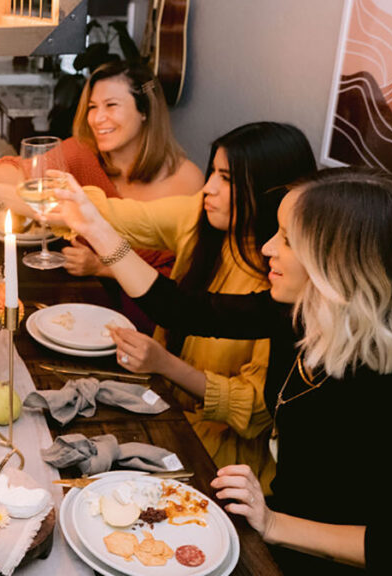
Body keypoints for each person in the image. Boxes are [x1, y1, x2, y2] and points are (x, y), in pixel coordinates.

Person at [53, 167, 392, 574]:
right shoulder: (299, 313)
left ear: (340, 265)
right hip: (271, 528)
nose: (266, 248)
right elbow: (181, 309)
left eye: (287, 240)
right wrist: (95, 226)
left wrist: (274, 523)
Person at [76, 122, 317, 491]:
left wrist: (163, 363)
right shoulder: (201, 223)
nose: (208, 188)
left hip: (219, 464)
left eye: (227, 178)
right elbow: (176, 307)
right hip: (160, 404)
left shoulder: (282, 289)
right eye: (213, 173)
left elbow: (255, 408)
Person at [0, 60, 203, 275]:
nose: (97, 118)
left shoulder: (187, 180)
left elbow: (184, 280)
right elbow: (24, 173)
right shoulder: (83, 152)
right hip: (87, 308)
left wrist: (101, 267)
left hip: (151, 323)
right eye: (92, 107)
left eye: (111, 105)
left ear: (145, 110)